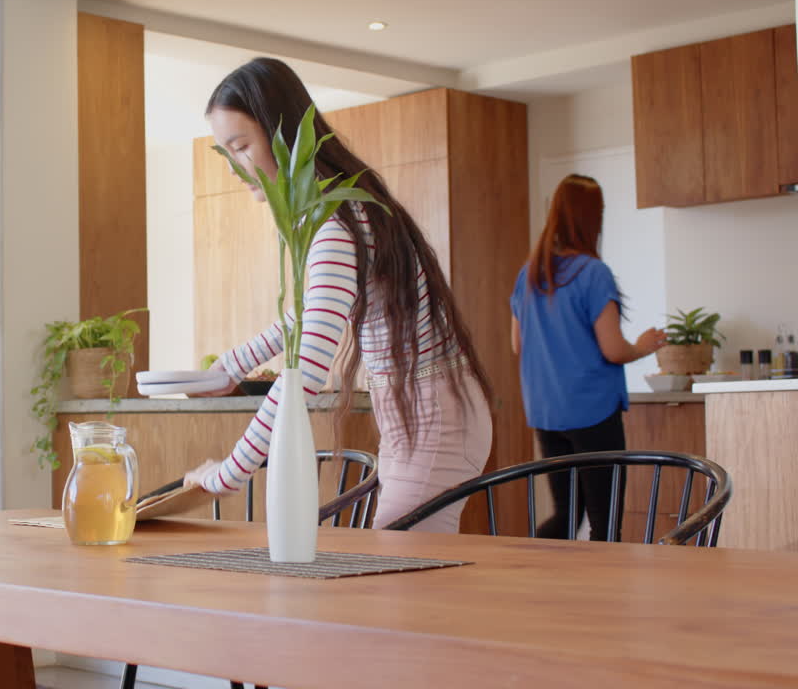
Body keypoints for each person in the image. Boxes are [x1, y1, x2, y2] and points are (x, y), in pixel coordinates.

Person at [184, 57, 493, 533]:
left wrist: (229, 474)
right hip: (421, 415)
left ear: (282, 134)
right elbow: (308, 318)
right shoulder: (341, 206)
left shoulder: (336, 223)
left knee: (397, 586)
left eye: (241, 146)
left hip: (435, 422)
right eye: (225, 152)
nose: (234, 167)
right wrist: (229, 367)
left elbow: (304, 368)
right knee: (402, 587)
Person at [510, 174, 665, 540]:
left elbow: (518, 345)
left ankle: (528, 577)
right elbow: (613, 349)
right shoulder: (594, 274)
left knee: (566, 517)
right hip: (592, 411)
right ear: (593, 218)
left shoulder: (530, 274)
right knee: (604, 522)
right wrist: (644, 345)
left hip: (547, 413)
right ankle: (604, 598)